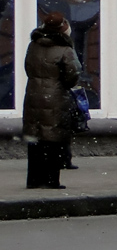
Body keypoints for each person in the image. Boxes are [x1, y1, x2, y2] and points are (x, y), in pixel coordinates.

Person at [22, 13, 81, 189]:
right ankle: (51, 180)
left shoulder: (33, 45)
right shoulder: (65, 49)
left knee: (36, 139)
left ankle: (33, 180)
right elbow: (73, 74)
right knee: (53, 139)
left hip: (33, 95)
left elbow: (28, 67)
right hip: (55, 97)